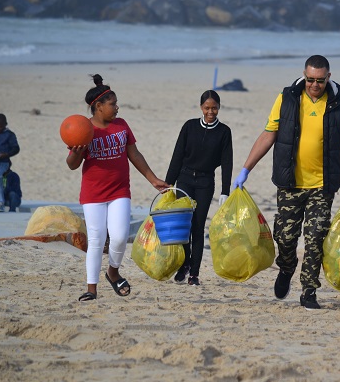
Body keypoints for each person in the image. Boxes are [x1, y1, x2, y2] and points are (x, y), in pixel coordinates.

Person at [232, 55, 340, 310]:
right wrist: (245, 170)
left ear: (328, 77)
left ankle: (309, 291)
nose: (314, 85)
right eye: (310, 79)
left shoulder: (338, 104)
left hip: (322, 186)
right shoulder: (287, 98)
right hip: (290, 183)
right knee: (284, 237)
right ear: (304, 75)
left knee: (315, 237)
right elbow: (269, 134)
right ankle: (287, 267)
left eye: (320, 80)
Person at [67, 74, 169, 302]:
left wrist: (153, 179)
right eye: (112, 104)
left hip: (119, 191)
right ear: (98, 107)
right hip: (93, 194)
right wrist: (77, 151)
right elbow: (72, 165)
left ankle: (113, 272)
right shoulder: (84, 129)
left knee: (121, 236)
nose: (116, 107)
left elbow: (134, 154)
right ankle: (91, 289)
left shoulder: (122, 126)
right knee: (96, 239)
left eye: (116, 103)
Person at [166, 90, 233, 286]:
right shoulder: (189, 126)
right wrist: (169, 184)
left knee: (197, 226)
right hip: (185, 180)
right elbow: (177, 155)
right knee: (183, 227)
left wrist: (225, 190)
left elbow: (227, 162)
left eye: (214, 108)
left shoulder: (224, 132)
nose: (210, 111)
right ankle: (184, 265)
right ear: (201, 107)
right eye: (207, 108)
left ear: (219, 107)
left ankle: (194, 273)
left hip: (205, 183)